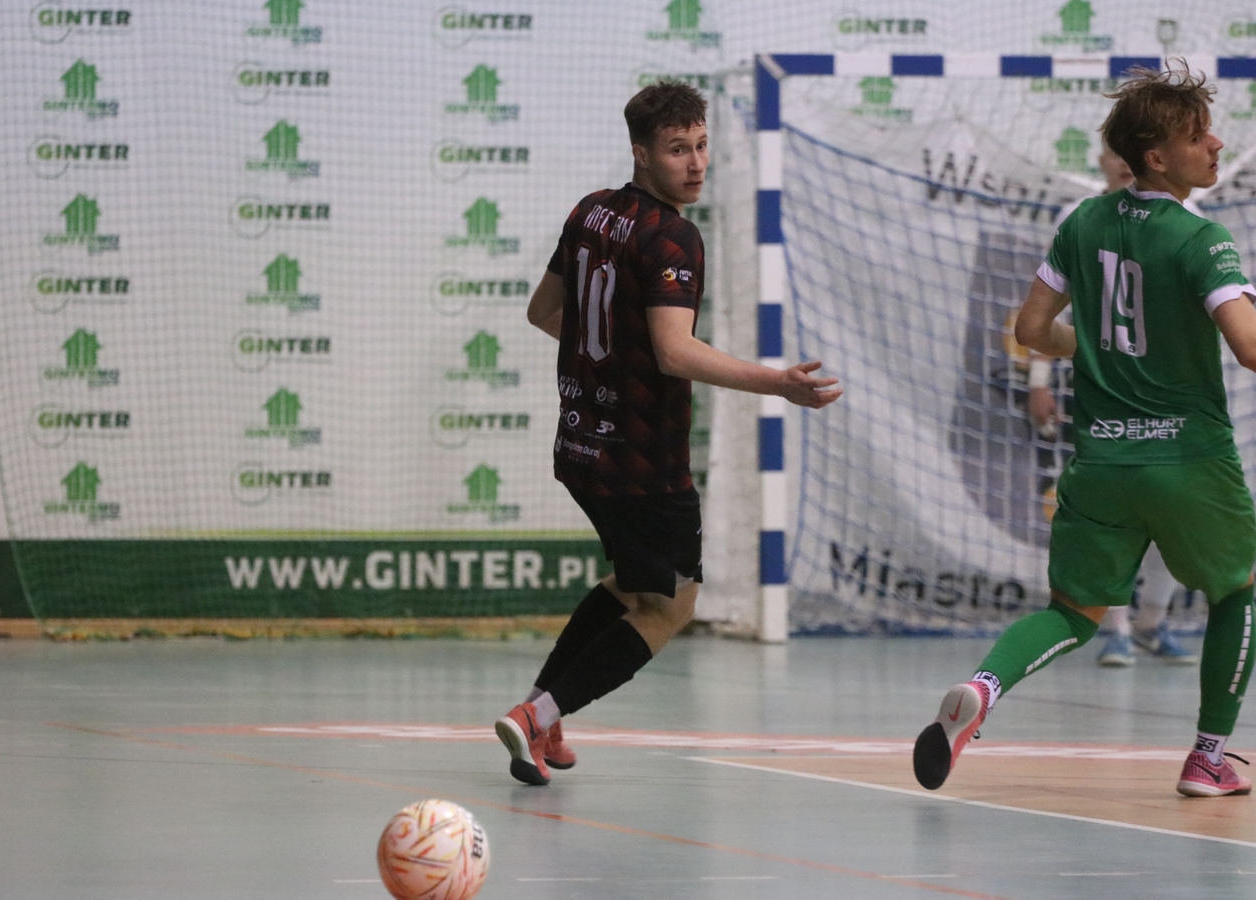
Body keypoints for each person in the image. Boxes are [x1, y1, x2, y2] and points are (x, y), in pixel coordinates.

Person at [913, 64, 1256, 798]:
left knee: (1072, 613)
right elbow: (1250, 348)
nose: (1217, 145)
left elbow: (1033, 330)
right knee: (1238, 592)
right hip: (1190, 459)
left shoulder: (1083, 224)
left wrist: (1093, 347)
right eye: (1199, 136)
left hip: (1101, 460)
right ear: (1157, 157)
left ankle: (983, 687)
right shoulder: (1204, 240)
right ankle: (1207, 758)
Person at [493, 81, 842, 786]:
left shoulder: (591, 210)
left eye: (702, 145)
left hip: (579, 446)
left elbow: (543, 312)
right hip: (642, 462)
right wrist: (778, 383)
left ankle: (542, 715)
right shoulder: (673, 236)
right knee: (672, 605)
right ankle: (537, 714)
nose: (696, 163)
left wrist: (610, 360)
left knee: (632, 583)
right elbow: (675, 353)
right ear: (641, 153)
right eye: (678, 149)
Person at [1027, 148, 1197, 668]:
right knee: (1112, 512)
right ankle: (1116, 628)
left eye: (1136, 150)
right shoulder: (1078, 218)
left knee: (1175, 514)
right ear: (1100, 157)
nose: (1125, 161)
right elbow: (1048, 305)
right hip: (1101, 387)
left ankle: (1152, 622)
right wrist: (1038, 379)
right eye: (1115, 150)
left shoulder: (1190, 218)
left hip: (1169, 391)